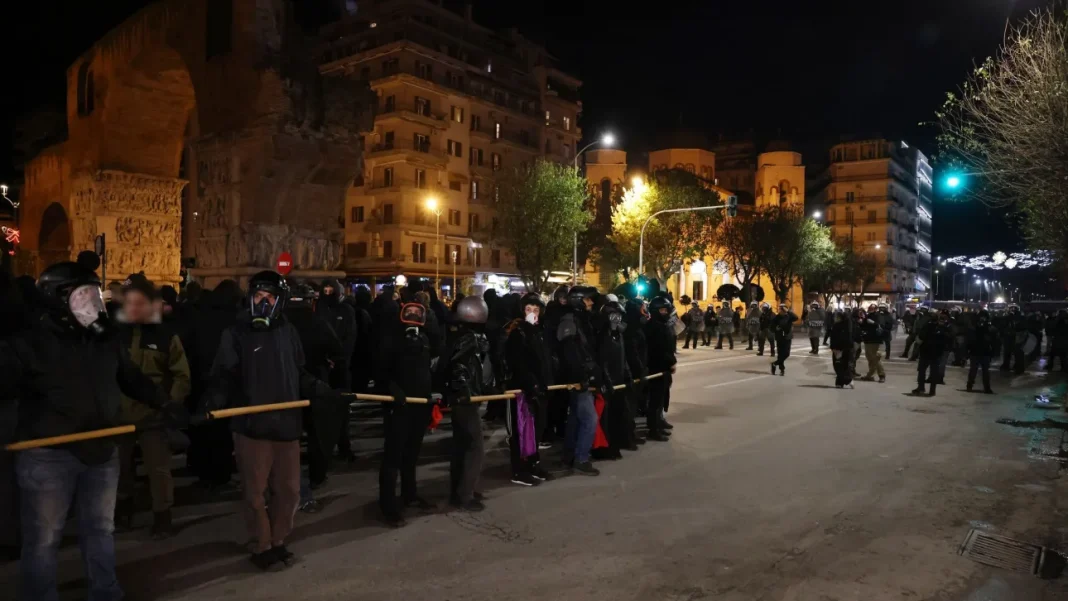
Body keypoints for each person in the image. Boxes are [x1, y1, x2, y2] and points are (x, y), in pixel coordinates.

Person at [2, 262, 174, 601]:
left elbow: (130, 377)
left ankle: (105, 592)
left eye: (95, 295)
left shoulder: (105, 339)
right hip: (48, 454)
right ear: (56, 298)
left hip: (102, 449)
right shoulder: (29, 342)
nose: (93, 303)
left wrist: (164, 402)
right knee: (44, 538)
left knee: (100, 529)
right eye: (83, 295)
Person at [203, 270, 340, 571]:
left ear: (281, 301)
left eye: (270, 297)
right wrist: (214, 400)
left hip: (286, 424)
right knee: (255, 493)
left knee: (289, 491)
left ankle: (278, 539)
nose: (263, 302)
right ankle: (261, 544)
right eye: (258, 296)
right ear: (250, 298)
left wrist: (323, 390)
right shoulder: (235, 333)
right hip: (251, 427)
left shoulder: (288, 332)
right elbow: (223, 375)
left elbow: (299, 372)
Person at [114, 277, 192, 539]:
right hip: (119, 416)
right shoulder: (115, 334)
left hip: (154, 416)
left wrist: (170, 404)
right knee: (120, 467)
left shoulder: (166, 335)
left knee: (158, 468)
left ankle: (162, 516)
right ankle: (123, 509)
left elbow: (181, 375)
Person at [283, 283, 343, 512]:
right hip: (315, 383)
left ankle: (288, 479)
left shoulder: (281, 324)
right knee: (317, 433)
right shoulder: (319, 322)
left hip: (287, 385)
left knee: (288, 436)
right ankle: (317, 475)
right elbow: (336, 349)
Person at [377, 299, 435, 526]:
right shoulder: (391, 339)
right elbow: (380, 372)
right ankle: (388, 506)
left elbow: (426, 369)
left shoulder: (424, 339)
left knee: (411, 455)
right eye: (408, 311)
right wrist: (393, 390)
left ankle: (409, 494)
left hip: (419, 405)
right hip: (398, 407)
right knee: (393, 457)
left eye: (416, 311)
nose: (412, 314)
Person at [184, 280, 242, 490]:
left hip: (199, 380)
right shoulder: (234, 319)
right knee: (221, 431)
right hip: (222, 381)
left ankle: (201, 470)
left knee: (201, 428)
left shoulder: (199, 314)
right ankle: (220, 474)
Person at [439, 295, 495, 508]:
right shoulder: (468, 338)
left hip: (464, 397)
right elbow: (459, 366)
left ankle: (460, 490)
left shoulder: (459, 334)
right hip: (465, 399)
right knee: (474, 447)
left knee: (461, 445)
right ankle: (465, 494)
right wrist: (464, 390)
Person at [505, 293, 555, 485]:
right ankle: (519, 470)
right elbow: (517, 363)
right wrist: (530, 384)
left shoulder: (538, 332)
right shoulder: (518, 333)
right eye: (528, 309)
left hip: (538, 390)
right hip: (521, 391)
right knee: (520, 431)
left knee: (536, 430)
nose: (532, 313)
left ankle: (533, 464)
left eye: (536, 309)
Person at [555, 286, 603, 474]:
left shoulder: (581, 320)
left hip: (583, 377)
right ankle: (581, 458)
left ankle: (569, 457)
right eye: (587, 299)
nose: (591, 303)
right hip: (578, 379)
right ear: (578, 300)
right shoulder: (569, 321)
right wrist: (581, 376)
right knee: (590, 419)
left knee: (575, 419)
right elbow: (570, 353)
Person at [594, 298, 633, 459]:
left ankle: (617, 444)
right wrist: (606, 379)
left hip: (618, 382)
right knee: (606, 418)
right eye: (614, 316)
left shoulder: (619, 336)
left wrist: (627, 374)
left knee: (619, 415)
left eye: (619, 316)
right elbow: (601, 359)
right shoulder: (602, 336)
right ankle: (604, 449)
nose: (617, 320)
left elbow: (623, 357)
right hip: (607, 384)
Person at [645, 295, 677, 441]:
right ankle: (653, 429)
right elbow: (660, 349)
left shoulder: (662, 325)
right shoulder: (653, 327)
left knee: (661, 398)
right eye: (662, 310)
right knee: (655, 400)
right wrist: (670, 362)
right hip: (656, 368)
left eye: (666, 310)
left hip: (664, 368)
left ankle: (658, 423)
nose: (665, 313)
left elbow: (669, 347)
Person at [622, 297, 649, 447]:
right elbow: (633, 353)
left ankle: (630, 434)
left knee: (632, 406)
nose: (644, 310)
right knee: (629, 407)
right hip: (631, 374)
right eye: (642, 308)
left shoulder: (637, 325)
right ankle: (627, 437)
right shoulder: (631, 328)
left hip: (636, 371)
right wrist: (640, 371)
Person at [914, 310, 952, 396]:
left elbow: (921, 337)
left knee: (922, 370)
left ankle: (921, 387)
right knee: (933, 372)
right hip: (936, 353)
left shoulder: (929, 326)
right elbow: (948, 339)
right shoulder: (945, 328)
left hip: (927, 351)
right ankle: (932, 390)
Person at [966, 310, 998, 394]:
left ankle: (985, 387)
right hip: (976, 351)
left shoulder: (989, 328)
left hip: (983, 351)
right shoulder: (974, 327)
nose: (982, 319)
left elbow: (994, 341)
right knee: (976, 370)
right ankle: (971, 385)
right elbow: (969, 339)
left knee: (983, 371)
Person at [859, 304, 886, 383]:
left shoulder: (879, 316)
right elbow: (864, 326)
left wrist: (874, 323)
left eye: (872, 308)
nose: (871, 310)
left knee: (876, 358)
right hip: (868, 340)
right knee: (870, 359)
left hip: (875, 340)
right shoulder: (868, 316)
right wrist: (861, 322)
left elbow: (882, 326)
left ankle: (881, 375)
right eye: (870, 308)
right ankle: (870, 375)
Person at [769, 303, 797, 376]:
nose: (781, 311)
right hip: (779, 337)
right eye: (780, 309)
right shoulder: (776, 318)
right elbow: (771, 328)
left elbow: (796, 317)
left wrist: (788, 311)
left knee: (787, 353)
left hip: (787, 337)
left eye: (783, 309)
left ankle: (774, 364)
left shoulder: (789, 316)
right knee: (780, 354)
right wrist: (776, 328)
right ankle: (782, 370)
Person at [828, 309, 854, 388]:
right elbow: (832, 337)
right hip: (839, 348)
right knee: (838, 365)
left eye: (837, 317)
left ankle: (847, 380)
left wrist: (836, 347)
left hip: (842, 348)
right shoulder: (836, 325)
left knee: (841, 365)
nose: (835, 318)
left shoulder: (846, 326)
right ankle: (840, 382)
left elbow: (846, 338)